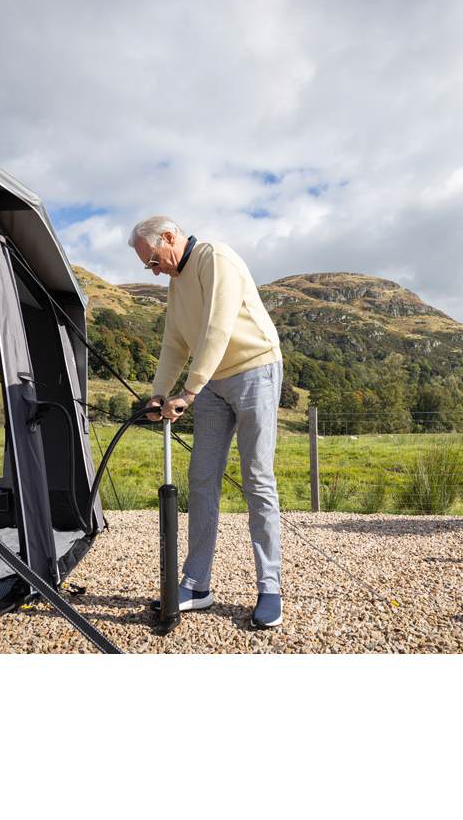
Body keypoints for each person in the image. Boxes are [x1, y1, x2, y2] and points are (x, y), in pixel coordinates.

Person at [130, 215, 285, 629]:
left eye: (153, 260)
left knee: (256, 479)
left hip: (255, 370)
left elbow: (218, 328)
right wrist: (159, 395)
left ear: (169, 236)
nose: (154, 269)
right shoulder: (176, 286)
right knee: (201, 480)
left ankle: (270, 587)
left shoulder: (215, 258)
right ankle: (197, 584)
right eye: (148, 267)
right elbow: (174, 344)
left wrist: (189, 392)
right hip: (213, 383)